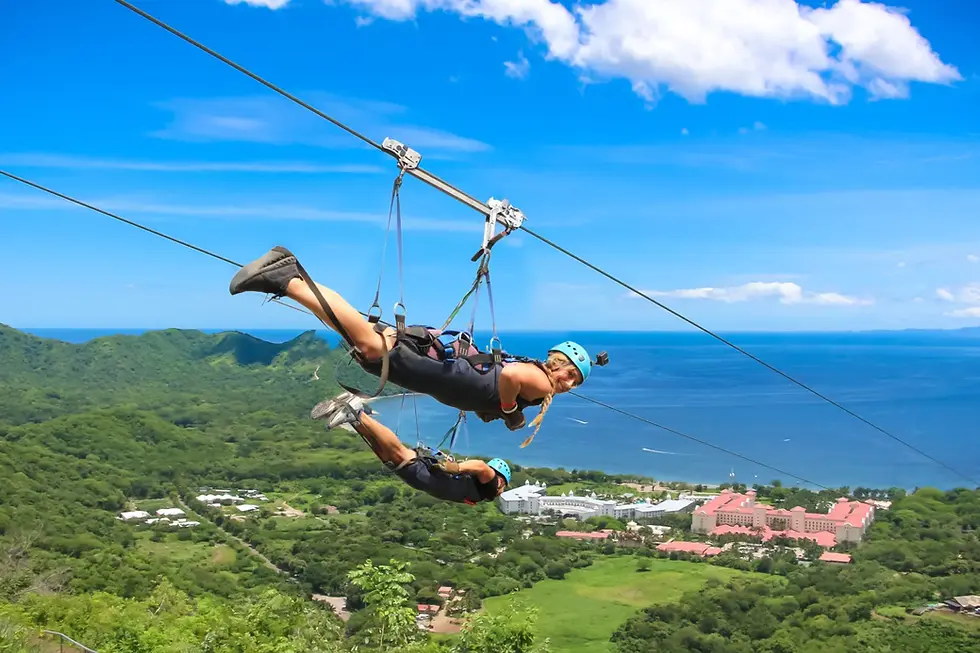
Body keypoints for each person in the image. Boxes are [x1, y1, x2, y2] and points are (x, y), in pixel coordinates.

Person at [229, 246, 607, 446]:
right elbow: (506, 377)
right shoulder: (540, 382)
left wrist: (491, 407)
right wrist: (509, 410)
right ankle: (287, 276)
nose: (569, 383)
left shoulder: (539, 380)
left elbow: (492, 384)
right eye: (570, 374)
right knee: (368, 345)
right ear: (556, 363)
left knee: (362, 340)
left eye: (575, 382)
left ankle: (288, 280)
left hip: (438, 369)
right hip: (438, 371)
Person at [315, 390, 512, 505]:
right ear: (501, 480)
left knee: (389, 458)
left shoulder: (479, 490)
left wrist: (455, 468)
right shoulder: (491, 484)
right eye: (504, 487)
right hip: (431, 476)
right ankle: (358, 412)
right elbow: (481, 467)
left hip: (429, 479)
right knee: (399, 453)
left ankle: (353, 418)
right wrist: (456, 468)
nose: (501, 493)